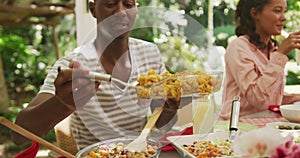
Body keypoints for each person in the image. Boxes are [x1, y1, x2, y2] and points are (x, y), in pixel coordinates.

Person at [12, 0, 188, 150]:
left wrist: (170, 107)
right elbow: (19, 136)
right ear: (93, 8)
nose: (120, 12)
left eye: (128, 4)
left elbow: (161, 124)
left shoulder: (149, 54)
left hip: (140, 152)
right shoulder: (72, 67)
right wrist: (62, 104)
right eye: (110, 4)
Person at [219, 0, 300, 120]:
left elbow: (270, 97)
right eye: (277, 11)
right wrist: (281, 54)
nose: (284, 18)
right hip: (239, 127)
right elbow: (257, 98)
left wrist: (295, 98)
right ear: (255, 13)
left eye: (284, 11)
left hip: (266, 124)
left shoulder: (271, 49)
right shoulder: (239, 47)